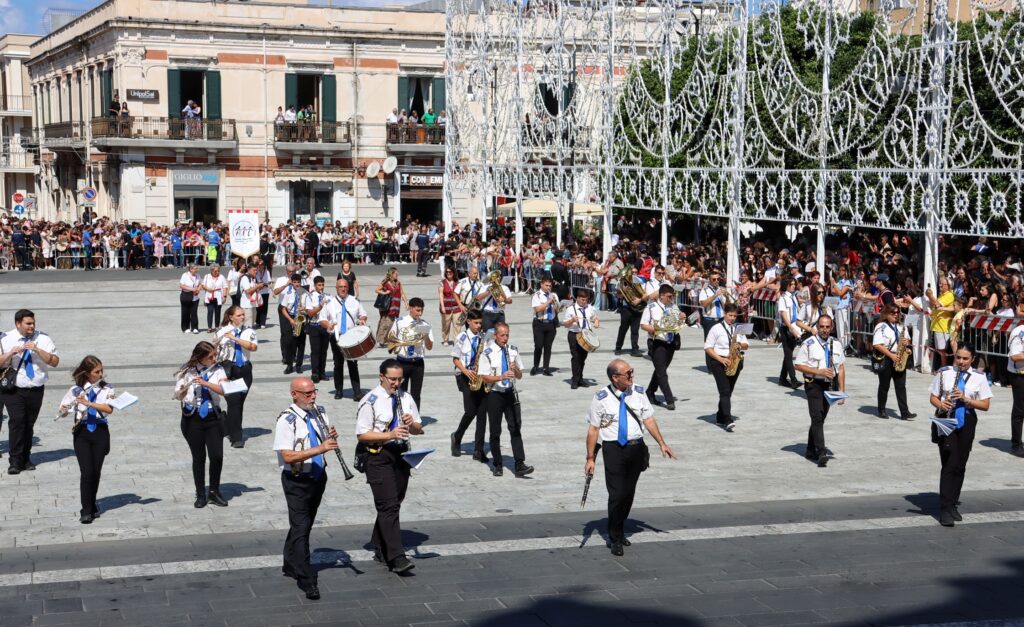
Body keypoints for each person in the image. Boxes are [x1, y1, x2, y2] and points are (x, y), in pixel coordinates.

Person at [584, 358, 676, 556]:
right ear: (615, 377)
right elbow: (593, 429)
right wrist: (590, 458)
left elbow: (648, 419)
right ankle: (615, 536)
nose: (632, 376)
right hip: (614, 449)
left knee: (628, 493)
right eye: (628, 374)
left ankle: (619, 527)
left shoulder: (639, 392)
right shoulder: (600, 398)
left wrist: (662, 443)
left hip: (636, 448)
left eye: (632, 372)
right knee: (617, 494)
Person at [356, 359, 424, 574]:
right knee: (388, 505)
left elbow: (417, 429)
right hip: (377, 455)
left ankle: (379, 544)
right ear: (381, 377)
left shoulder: (406, 397)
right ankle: (396, 557)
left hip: (401, 454)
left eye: (399, 379)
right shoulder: (371, 400)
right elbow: (362, 434)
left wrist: (411, 423)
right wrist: (390, 434)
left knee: (395, 501)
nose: (396, 383)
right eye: (392, 379)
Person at [273, 376, 338, 600]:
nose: (313, 397)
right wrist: (320, 448)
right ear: (294, 394)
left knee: (303, 524)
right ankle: (306, 578)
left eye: (314, 391)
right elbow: (287, 455)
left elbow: (321, 438)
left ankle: (290, 563)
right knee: (301, 527)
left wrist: (329, 438)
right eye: (307, 393)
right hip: (297, 479)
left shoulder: (319, 411)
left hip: (318, 475)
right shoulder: (286, 420)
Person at [929, 345, 992, 527]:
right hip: (946, 420)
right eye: (958, 358)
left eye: (965, 358)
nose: (961, 362)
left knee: (960, 464)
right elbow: (933, 397)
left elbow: (985, 405)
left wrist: (967, 399)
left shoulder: (979, 377)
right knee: (949, 462)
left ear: (972, 359)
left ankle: (953, 503)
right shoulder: (944, 373)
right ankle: (945, 509)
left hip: (967, 420)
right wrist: (942, 404)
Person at [58, 356, 116, 524]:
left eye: (101, 371)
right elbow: (63, 412)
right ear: (87, 373)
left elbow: (109, 409)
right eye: (97, 372)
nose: (100, 375)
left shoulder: (107, 389)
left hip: (100, 431)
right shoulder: (75, 390)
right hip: (82, 432)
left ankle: (91, 504)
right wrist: (63, 410)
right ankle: (86, 509)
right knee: (87, 472)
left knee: (95, 472)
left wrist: (89, 403)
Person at [1, 310, 59, 474]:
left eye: (33, 323)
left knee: (28, 424)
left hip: (36, 388)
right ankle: (15, 460)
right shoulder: (6, 338)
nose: (32, 326)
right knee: (17, 421)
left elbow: (54, 362)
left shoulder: (43, 338)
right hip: (14, 388)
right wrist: (10, 353)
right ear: (18, 324)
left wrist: (38, 350)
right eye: (28, 324)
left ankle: (26, 458)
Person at [173, 341, 228, 508]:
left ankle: (214, 491)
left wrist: (206, 383)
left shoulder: (218, 370)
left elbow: (224, 390)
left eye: (214, 355)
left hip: (213, 417)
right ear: (200, 357)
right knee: (198, 458)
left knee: (217, 456)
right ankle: (200, 494)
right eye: (210, 357)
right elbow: (178, 394)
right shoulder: (186, 370)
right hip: (192, 418)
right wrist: (182, 391)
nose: (214, 358)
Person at [477, 322, 533, 477]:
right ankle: (497, 463)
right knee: (495, 431)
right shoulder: (487, 353)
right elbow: (484, 377)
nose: (505, 338)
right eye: (502, 335)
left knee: (515, 428)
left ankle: (520, 463)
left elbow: (520, 375)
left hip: (510, 393)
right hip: (494, 394)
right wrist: (501, 377)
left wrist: (514, 369)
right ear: (495, 335)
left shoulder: (513, 350)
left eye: (507, 335)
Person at [794, 315, 846, 468]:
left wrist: (842, 391)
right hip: (814, 384)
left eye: (827, 327)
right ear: (817, 327)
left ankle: (810, 448)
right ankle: (821, 451)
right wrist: (818, 372)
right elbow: (798, 365)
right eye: (821, 326)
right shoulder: (809, 343)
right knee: (816, 416)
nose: (824, 330)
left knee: (821, 417)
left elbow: (841, 368)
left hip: (830, 384)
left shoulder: (836, 343)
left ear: (832, 327)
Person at [318, 278, 367, 401]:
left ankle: (357, 392)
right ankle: (339, 390)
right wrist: (327, 325)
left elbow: (363, 314)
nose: (343, 289)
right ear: (336, 288)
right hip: (337, 337)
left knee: (353, 364)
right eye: (340, 287)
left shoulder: (354, 301)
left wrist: (362, 319)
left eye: (345, 286)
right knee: (338, 364)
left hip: (351, 337)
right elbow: (322, 319)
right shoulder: (330, 302)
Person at [449, 310, 488, 463]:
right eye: (476, 323)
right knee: (470, 411)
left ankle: (479, 450)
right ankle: (457, 436)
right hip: (465, 376)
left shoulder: (483, 337)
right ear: (469, 322)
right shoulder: (462, 337)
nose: (479, 326)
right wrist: (466, 371)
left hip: (480, 376)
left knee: (482, 414)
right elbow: (455, 359)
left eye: (480, 323)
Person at [216, 306, 257, 448]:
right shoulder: (222, 331)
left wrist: (234, 338)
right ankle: (237, 437)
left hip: (244, 369)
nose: (242, 317)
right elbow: (215, 348)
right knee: (234, 403)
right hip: (229, 369)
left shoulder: (248, 331)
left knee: (239, 404)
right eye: (239, 315)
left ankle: (225, 423)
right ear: (231, 317)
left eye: (243, 315)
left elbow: (252, 347)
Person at [703, 303, 749, 431]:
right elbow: (708, 347)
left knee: (728, 391)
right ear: (724, 314)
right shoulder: (716, 328)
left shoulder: (738, 328)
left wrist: (740, 345)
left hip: (734, 361)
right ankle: (727, 419)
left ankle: (719, 416)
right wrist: (721, 359)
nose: (732, 318)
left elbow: (746, 344)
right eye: (730, 315)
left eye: (734, 316)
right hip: (719, 361)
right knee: (724, 391)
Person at [640, 285, 681, 410]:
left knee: (659, 369)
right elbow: (643, 325)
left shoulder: (674, 307)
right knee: (662, 372)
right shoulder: (651, 307)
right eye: (669, 296)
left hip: (670, 342)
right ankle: (669, 399)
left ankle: (650, 392)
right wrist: (654, 328)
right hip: (657, 341)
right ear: (661, 295)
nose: (671, 298)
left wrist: (682, 318)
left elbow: (677, 323)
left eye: (672, 296)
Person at [872, 305, 916, 421]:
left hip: (900, 356)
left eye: (897, 312)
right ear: (886, 313)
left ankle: (904, 412)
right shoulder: (881, 326)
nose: (896, 314)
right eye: (893, 312)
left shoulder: (902, 326)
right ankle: (881, 409)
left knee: (901, 386)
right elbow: (877, 344)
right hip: (887, 357)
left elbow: (908, 340)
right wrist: (891, 355)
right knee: (884, 386)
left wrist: (907, 341)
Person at [389, 297, 434, 410]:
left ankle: (415, 420)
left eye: (421, 310)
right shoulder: (400, 321)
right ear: (410, 308)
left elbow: (429, 347)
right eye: (417, 310)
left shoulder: (425, 324)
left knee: (416, 394)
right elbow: (391, 339)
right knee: (400, 393)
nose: (420, 313)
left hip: (417, 363)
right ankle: (399, 418)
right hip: (402, 362)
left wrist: (426, 335)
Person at [563, 289, 600, 390]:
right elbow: (565, 324)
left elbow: (595, 318)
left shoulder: (590, 308)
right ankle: (575, 380)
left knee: (582, 358)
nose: (584, 302)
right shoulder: (571, 309)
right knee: (576, 358)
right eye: (582, 300)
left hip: (586, 336)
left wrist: (596, 322)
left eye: (586, 300)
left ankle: (580, 378)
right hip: (574, 335)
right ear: (578, 298)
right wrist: (572, 320)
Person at [530, 277, 560, 376]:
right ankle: (535, 366)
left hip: (550, 323)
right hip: (539, 323)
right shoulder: (536, 295)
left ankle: (546, 368)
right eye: (546, 285)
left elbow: (558, 310)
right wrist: (548, 302)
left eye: (550, 286)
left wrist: (555, 304)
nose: (548, 287)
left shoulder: (553, 295)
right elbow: (538, 309)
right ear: (541, 285)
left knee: (548, 347)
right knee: (538, 346)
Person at [614, 268, 646, 358]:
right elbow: (618, 295)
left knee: (635, 330)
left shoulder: (640, 281)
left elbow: (645, 294)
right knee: (623, 329)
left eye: (636, 272)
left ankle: (635, 349)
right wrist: (620, 293)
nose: (634, 273)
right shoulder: (622, 282)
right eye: (632, 272)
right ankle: (618, 347)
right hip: (626, 308)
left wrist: (639, 300)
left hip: (637, 308)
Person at [303, 276, 329, 383]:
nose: (321, 287)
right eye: (319, 285)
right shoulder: (310, 296)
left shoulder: (327, 296)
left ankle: (322, 372)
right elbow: (310, 313)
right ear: (315, 285)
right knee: (315, 351)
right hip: (314, 326)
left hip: (324, 326)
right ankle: (315, 373)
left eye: (322, 285)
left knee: (324, 351)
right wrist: (320, 306)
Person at [777, 277, 802, 389]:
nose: (793, 286)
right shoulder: (783, 298)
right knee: (788, 354)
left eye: (794, 284)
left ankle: (782, 378)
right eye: (791, 284)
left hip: (794, 326)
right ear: (786, 285)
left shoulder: (793, 297)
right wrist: (791, 328)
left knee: (788, 354)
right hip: (786, 328)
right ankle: (793, 379)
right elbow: (784, 314)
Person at [280, 273, 307, 374]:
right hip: (290, 317)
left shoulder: (304, 293)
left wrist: (304, 309)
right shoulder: (288, 293)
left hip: (301, 318)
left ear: (301, 283)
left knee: (301, 344)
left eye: (298, 282)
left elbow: (309, 308)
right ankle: (289, 365)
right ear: (292, 283)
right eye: (294, 282)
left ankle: (299, 365)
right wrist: (290, 320)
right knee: (289, 343)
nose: (296, 284)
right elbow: (283, 309)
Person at [375, 268, 406, 347]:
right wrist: (384, 292)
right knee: (385, 323)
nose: (397, 275)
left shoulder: (398, 283)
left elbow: (402, 293)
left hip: (395, 307)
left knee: (390, 324)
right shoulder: (385, 282)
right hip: (387, 307)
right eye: (396, 274)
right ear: (391, 274)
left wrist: (406, 303)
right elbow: (377, 290)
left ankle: (383, 340)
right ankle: (380, 340)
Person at [1009, 321, 1024, 457]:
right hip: (1020, 376)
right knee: (1020, 410)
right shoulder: (1019, 332)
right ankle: (1016, 444)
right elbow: (1015, 356)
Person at [698, 271, 729, 338]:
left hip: (721, 319)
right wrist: (715, 295)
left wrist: (727, 297)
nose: (716, 281)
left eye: (718, 279)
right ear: (709, 280)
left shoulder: (722, 289)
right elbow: (703, 304)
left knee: (721, 341)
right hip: (710, 320)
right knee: (709, 343)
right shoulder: (705, 290)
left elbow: (727, 306)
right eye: (714, 279)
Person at [438, 267, 462, 345]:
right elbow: (441, 294)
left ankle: (457, 340)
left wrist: (461, 304)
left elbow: (460, 294)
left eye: (450, 272)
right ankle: (445, 339)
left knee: (457, 325)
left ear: (453, 272)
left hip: (456, 308)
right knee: (446, 325)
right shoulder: (442, 282)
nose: (448, 273)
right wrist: (442, 306)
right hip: (446, 307)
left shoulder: (458, 282)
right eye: (447, 272)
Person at [202, 265, 228, 333]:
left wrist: (225, 296)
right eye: (215, 271)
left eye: (218, 271)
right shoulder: (207, 276)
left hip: (218, 296)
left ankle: (217, 327)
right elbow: (203, 285)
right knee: (210, 312)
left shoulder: (221, 277)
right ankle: (209, 327)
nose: (217, 272)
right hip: (209, 296)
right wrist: (208, 289)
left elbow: (225, 287)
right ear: (211, 270)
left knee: (217, 312)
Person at [179, 264, 202, 334]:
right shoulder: (185, 275)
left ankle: (195, 327)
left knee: (194, 313)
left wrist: (198, 289)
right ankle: (185, 327)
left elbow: (200, 284)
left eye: (197, 268)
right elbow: (181, 285)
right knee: (185, 312)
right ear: (191, 269)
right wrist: (192, 289)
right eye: (195, 269)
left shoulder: (198, 275)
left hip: (195, 297)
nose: (197, 270)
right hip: (186, 295)